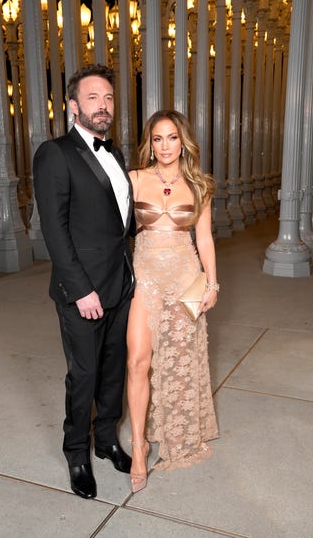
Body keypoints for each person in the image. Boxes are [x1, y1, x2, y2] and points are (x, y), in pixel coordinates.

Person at [33, 64, 135, 500]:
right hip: (82, 292)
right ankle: (76, 451)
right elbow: (54, 230)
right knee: (85, 374)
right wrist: (80, 290)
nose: (103, 106)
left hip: (120, 284)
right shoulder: (54, 154)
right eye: (93, 98)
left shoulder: (116, 154)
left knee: (114, 370)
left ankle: (107, 439)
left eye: (109, 98)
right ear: (73, 106)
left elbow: (119, 224)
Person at [127, 110, 219, 493]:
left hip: (185, 280)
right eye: (159, 138)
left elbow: (205, 238)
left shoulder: (200, 185)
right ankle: (138, 444)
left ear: (184, 142)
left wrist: (212, 284)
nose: (166, 146)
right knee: (137, 360)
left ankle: (177, 430)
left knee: (180, 361)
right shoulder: (133, 179)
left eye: (173, 138)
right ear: (151, 142)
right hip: (145, 280)